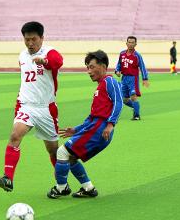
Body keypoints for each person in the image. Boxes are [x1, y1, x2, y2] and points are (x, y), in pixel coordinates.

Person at [0, 21, 64, 192]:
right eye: (27, 40)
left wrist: (45, 61)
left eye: (34, 39)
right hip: (26, 105)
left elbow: (58, 62)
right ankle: (8, 178)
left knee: (53, 150)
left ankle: (62, 184)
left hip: (46, 109)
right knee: (15, 135)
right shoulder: (22, 55)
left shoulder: (50, 52)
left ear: (42, 38)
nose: (30, 43)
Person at [47, 50, 123, 199]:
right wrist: (76, 129)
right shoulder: (101, 86)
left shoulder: (110, 82)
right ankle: (88, 188)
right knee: (71, 157)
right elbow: (92, 117)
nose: (89, 71)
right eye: (87, 67)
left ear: (102, 66)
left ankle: (61, 187)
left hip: (100, 129)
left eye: (92, 67)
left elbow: (119, 103)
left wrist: (110, 124)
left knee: (62, 152)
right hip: (95, 127)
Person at [114, 36, 149, 120]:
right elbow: (119, 64)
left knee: (133, 96)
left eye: (132, 42)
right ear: (126, 43)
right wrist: (117, 71)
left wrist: (145, 78)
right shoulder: (122, 53)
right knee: (124, 99)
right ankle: (135, 107)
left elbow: (142, 67)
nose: (130, 44)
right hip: (124, 79)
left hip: (133, 79)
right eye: (129, 42)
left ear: (135, 44)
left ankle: (136, 115)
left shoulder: (137, 56)